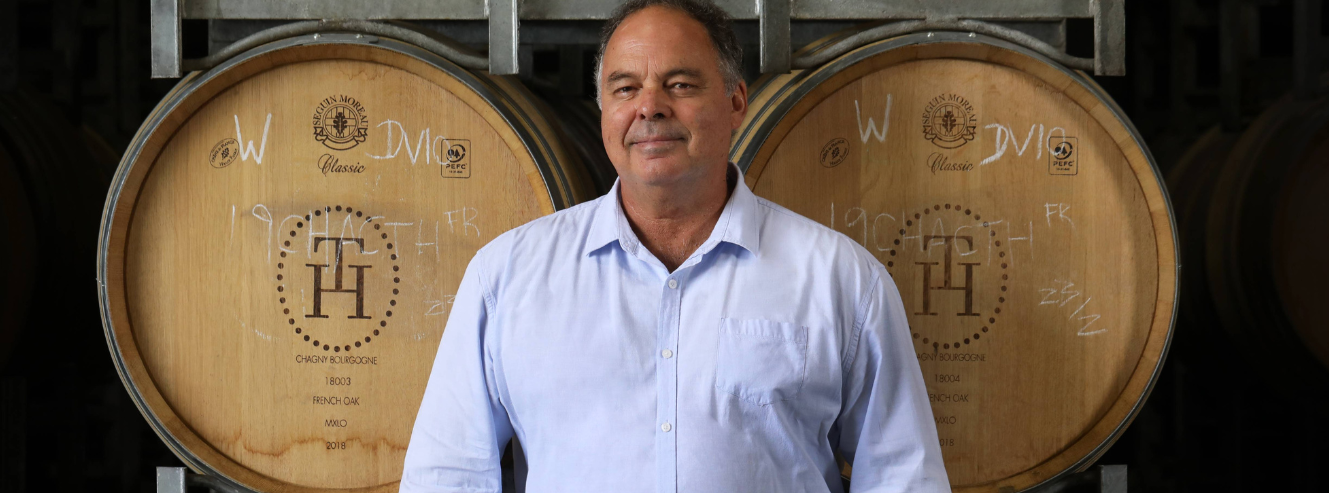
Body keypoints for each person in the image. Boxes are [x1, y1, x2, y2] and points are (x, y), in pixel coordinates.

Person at [400, 0, 949, 491]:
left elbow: (902, 477)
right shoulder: (505, 275)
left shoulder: (841, 278)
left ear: (736, 103)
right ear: (603, 113)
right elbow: (448, 474)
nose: (650, 107)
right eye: (625, 88)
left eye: (681, 85)